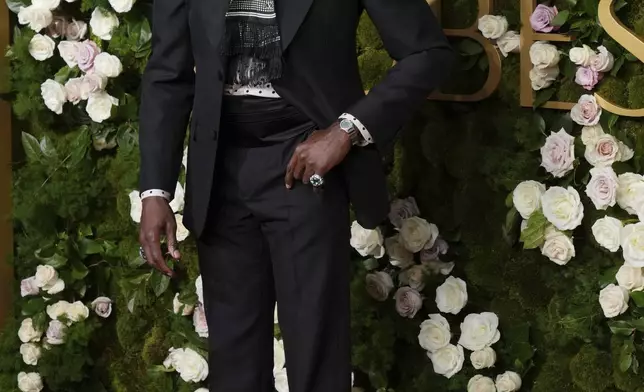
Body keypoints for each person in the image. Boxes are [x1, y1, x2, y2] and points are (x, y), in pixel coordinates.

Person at [137, 0, 455, 390]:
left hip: (304, 168)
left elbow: (427, 52)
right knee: (233, 366)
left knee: (316, 360)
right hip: (219, 172)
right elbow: (168, 75)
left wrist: (345, 131)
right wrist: (155, 190)